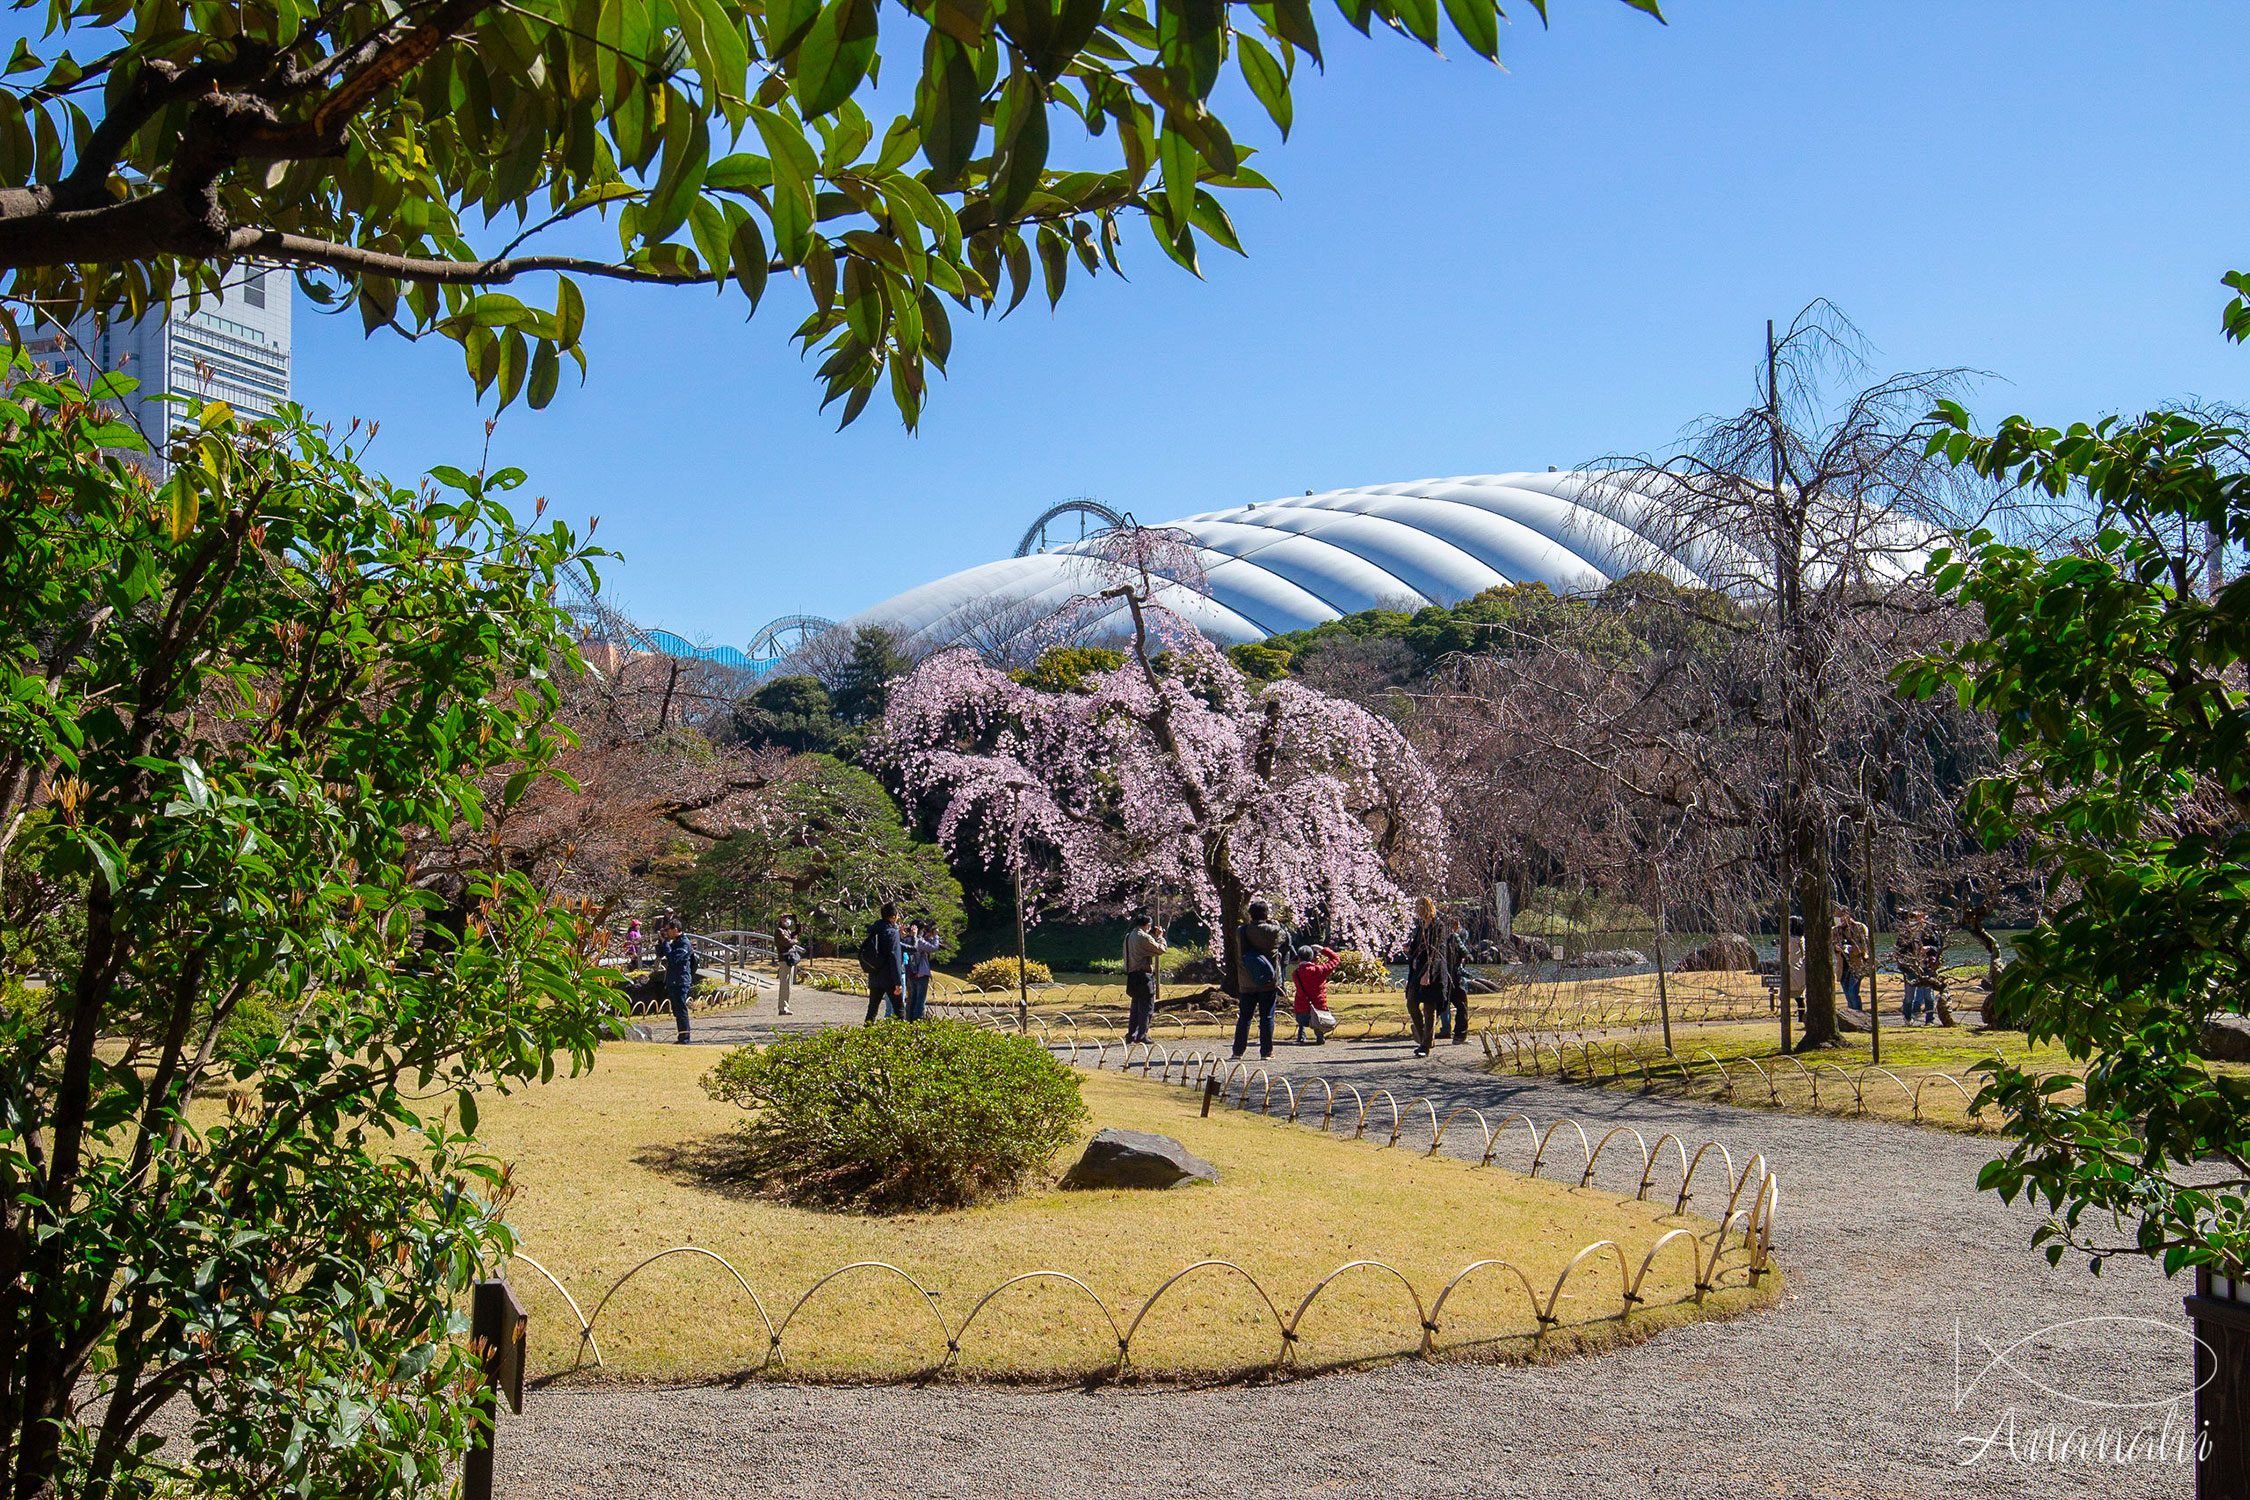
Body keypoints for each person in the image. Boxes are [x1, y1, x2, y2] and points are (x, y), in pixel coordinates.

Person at [1232, 900, 1287, 1060]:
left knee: (1245, 1017)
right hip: (1268, 980)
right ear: (1267, 914)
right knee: (1267, 1017)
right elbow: (1286, 939)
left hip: (1246, 981)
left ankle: (1237, 1051)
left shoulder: (1241, 931)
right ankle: (1266, 1052)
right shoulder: (1274, 931)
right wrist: (1273, 923)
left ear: (1250, 914)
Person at [1404, 897, 1451, 1058]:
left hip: (1433, 971)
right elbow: (1417, 948)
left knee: (1429, 1008)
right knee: (1411, 1002)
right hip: (1417, 971)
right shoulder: (1419, 927)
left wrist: (1428, 973)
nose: (1417, 910)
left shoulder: (1438, 927)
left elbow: (1437, 951)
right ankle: (1425, 1035)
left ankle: (1425, 1044)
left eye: (1419, 907)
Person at [1123, 913, 1167, 1044]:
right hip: (1143, 976)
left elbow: (1144, 947)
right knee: (1147, 1007)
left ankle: (1131, 1034)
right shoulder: (1143, 937)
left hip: (1132, 975)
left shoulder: (1129, 936)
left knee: (1135, 1007)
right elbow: (1160, 950)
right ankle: (1142, 1035)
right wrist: (1159, 938)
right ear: (1147, 925)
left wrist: (1152, 937)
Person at [861, 902, 905, 1025]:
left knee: (872, 1011)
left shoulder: (874, 930)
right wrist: (898, 982)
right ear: (893, 916)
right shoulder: (892, 932)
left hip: (874, 974)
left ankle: (866, 1038)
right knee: (899, 1010)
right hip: (889, 977)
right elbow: (894, 957)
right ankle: (906, 1039)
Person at [657, 918, 697, 1044]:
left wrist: (666, 944)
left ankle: (684, 1039)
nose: (666, 932)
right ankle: (681, 1037)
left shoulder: (684, 943)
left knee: (681, 1010)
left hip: (681, 980)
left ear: (675, 929)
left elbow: (674, 959)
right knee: (676, 1010)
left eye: (668, 930)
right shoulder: (674, 942)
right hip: (673, 980)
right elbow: (661, 953)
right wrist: (662, 941)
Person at [1290, 944, 1340, 1045]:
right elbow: (1335, 959)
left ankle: (1301, 1035)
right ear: (1312, 957)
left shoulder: (1296, 974)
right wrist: (1322, 949)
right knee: (1316, 1017)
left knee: (1302, 1006)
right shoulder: (1320, 970)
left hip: (1301, 1015)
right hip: (1319, 1013)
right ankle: (1319, 1035)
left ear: (1299, 958)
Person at [1835, 908, 1872, 1011]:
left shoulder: (1859, 927)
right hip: (1842, 966)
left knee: (1853, 992)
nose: (1838, 920)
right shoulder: (1835, 930)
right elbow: (1831, 946)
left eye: (1839, 918)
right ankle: (1851, 1015)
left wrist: (1852, 949)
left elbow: (1865, 947)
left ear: (1846, 916)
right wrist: (1836, 948)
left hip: (1857, 965)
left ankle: (1858, 1015)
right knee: (1847, 993)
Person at [904, 919, 942, 1020]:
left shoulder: (906, 940)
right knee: (920, 1001)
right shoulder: (919, 941)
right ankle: (917, 1023)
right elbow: (933, 948)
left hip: (911, 973)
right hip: (921, 973)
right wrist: (936, 936)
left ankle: (909, 1021)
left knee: (912, 999)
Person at [1443, 922, 1473, 1044]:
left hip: (1442, 976)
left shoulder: (1437, 938)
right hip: (1454, 976)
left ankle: (1427, 1034)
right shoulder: (1454, 937)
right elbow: (1465, 952)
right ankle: (1460, 1035)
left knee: (1440, 1005)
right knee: (1462, 1005)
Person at [774, 913, 802, 1017]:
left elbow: (797, 933)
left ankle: (785, 1006)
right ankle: (782, 1008)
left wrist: (796, 921)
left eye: (788, 919)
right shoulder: (779, 931)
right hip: (784, 960)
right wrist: (794, 940)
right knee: (784, 985)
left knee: (788, 985)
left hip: (790, 959)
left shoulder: (787, 931)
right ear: (780, 920)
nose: (787, 921)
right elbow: (787, 942)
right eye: (785, 919)